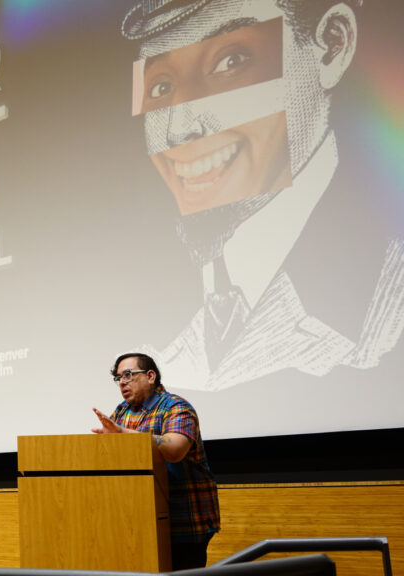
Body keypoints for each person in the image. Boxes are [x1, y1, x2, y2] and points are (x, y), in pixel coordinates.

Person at [124, 0, 404, 391]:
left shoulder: (390, 291)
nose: (179, 128)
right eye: (161, 87)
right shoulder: (137, 306)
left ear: (332, 46)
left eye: (230, 62)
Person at [92, 352, 219, 570]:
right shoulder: (122, 412)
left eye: (128, 375)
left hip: (184, 521)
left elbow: (175, 449)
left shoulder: (176, 407)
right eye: (118, 378)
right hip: (138, 520)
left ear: (150, 376)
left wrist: (123, 434)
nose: (122, 382)